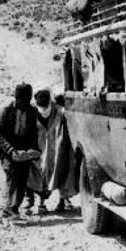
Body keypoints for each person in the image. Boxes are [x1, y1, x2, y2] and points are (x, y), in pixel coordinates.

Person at [0, 83, 41, 220]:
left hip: (24, 152)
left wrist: (34, 150)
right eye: (22, 101)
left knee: (22, 180)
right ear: (16, 98)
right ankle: (6, 208)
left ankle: (14, 209)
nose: (24, 104)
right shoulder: (6, 111)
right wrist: (9, 150)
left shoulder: (32, 112)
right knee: (11, 178)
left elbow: (33, 133)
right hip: (9, 150)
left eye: (27, 101)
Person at [27, 85, 78, 214]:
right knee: (40, 173)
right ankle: (41, 203)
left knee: (62, 171)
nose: (44, 110)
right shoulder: (32, 112)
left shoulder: (59, 111)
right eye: (41, 107)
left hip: (57, 148)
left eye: (46, 106)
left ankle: (63, 200)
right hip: (40, 149)